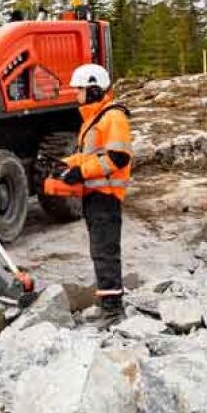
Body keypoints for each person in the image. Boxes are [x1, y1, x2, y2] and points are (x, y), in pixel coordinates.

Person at [45, 63, 132, 318]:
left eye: (80, 89)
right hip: (94, 196)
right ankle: (108, 303)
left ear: (94, 89)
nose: (76, 94)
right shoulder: (96, 119)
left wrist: (79, 174)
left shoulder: (113, 117)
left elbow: (117, 158)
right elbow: (89, 156)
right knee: (100, 252)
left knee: (105, 252)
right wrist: (66, 164)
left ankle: (113, 311)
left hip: (106, 196)